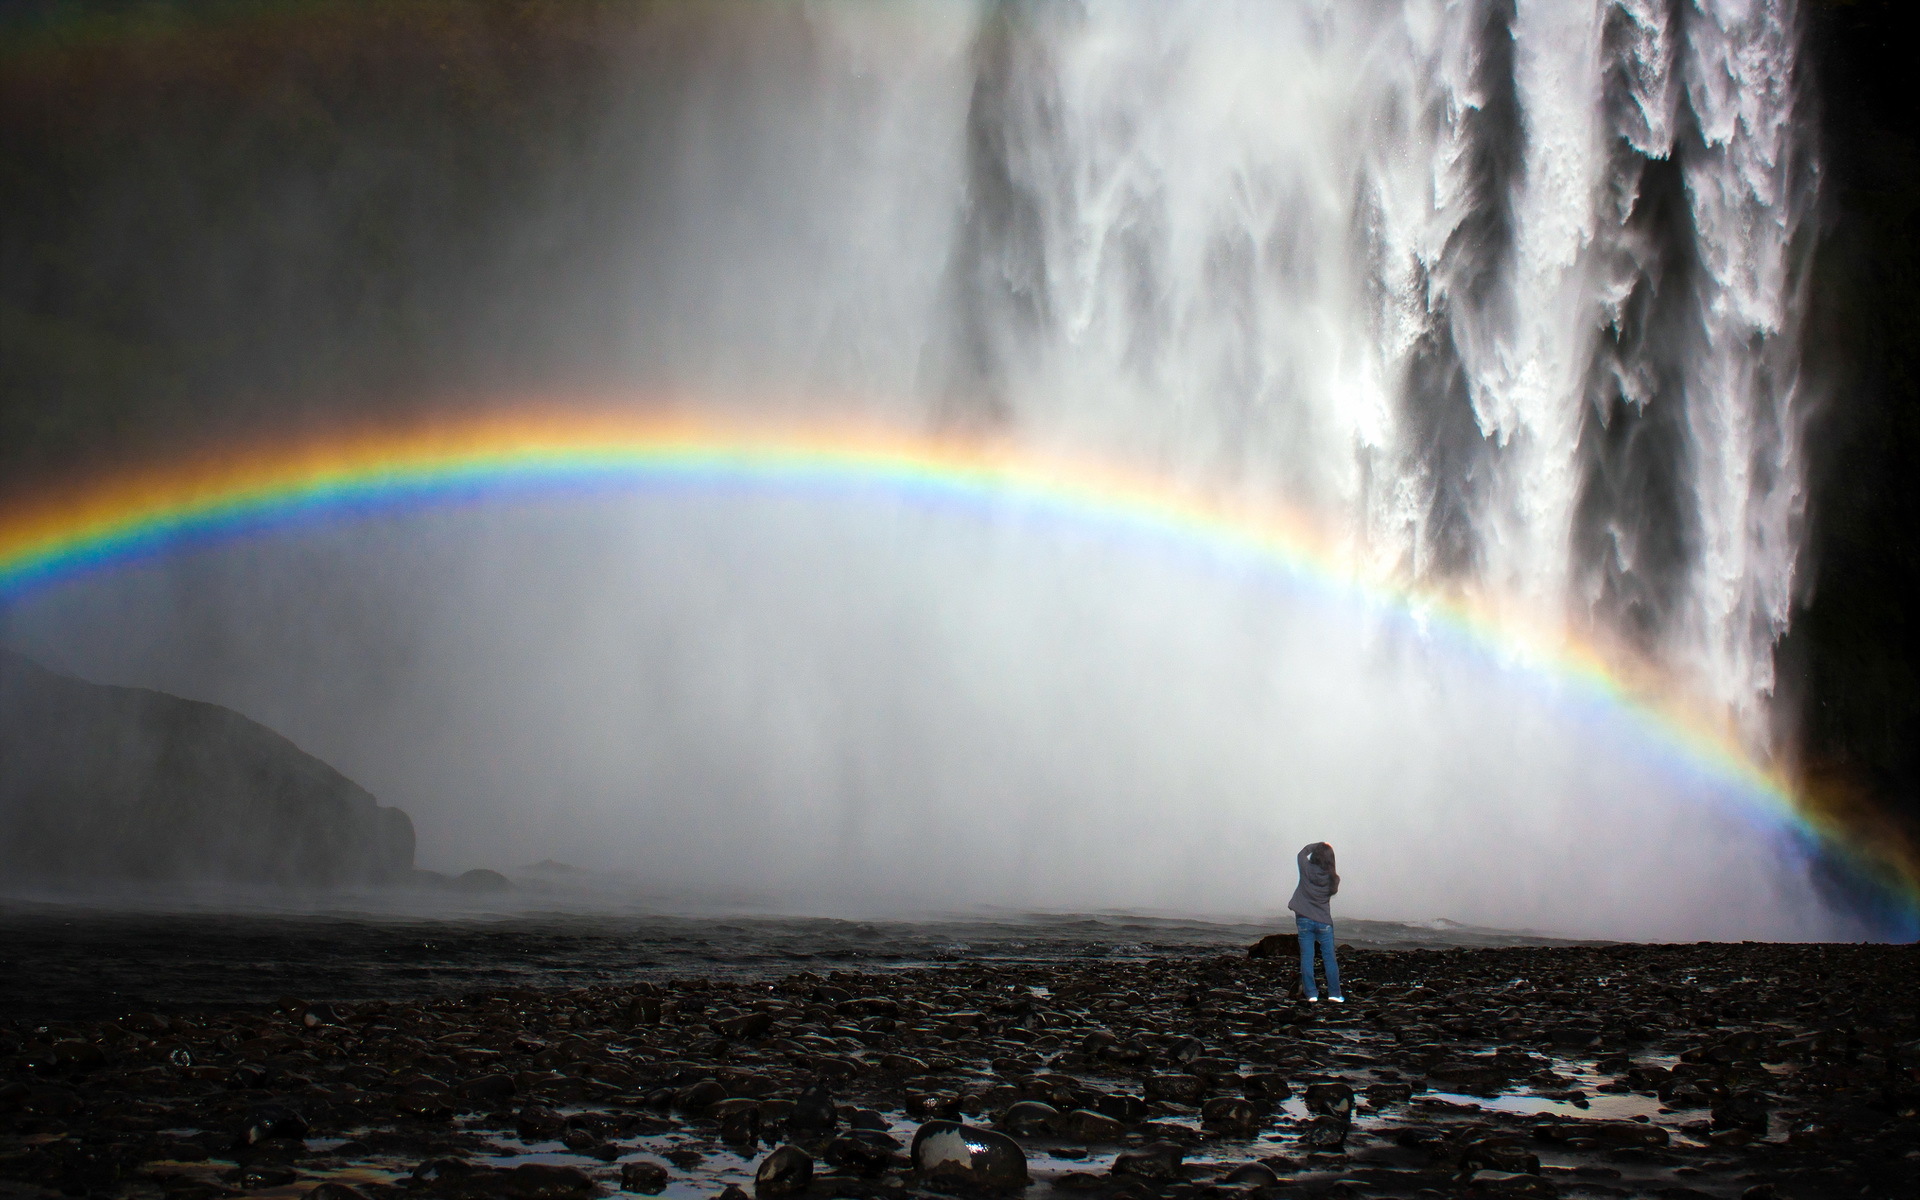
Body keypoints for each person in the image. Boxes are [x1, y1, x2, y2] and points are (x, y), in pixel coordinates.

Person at [1288, 841, 1342, 1002]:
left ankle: (1311, 994)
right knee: (1329, 958)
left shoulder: (1306, 869)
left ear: (1315, 855)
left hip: (1304, 919)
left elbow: (1301, 853)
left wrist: (1318, 844)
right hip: (1324, 922)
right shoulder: (1333, 878)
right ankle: (1335, 994)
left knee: (1307, 957)